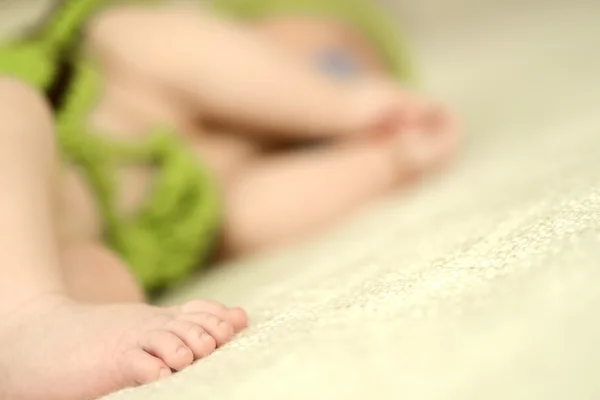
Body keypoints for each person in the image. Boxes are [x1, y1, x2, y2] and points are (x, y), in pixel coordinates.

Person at [0, 0, 460, 398]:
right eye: (335, 64)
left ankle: (31, 342)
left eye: (365, 73)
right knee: (11, 104)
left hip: (54, 259)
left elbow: (252, 217)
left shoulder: (216, 181)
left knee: (106, 278)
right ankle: (23, 323)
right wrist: (340, 104)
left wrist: (389, 162)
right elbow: (204, 58)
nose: (342, 80)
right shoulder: (123, 49)